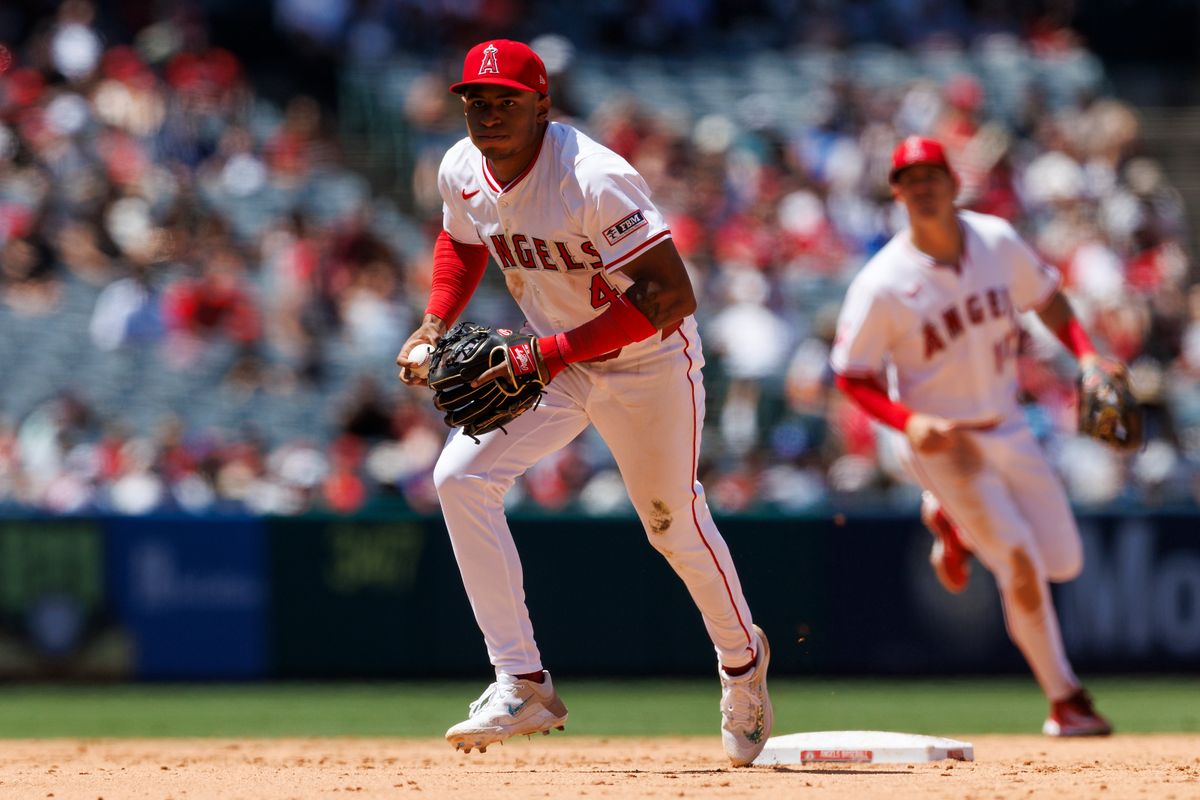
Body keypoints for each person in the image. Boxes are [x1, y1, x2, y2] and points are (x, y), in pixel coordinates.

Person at [395, 39, 772, 765]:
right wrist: (435, 321)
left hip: (645, 360)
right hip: (554, 358)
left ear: (542, 105)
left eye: (506, 100)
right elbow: (463, 243)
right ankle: (522, 680)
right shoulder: (460, 168)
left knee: (671, 525)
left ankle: (741, 661)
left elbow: (669, 296)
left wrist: (544, 354)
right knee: (458, 478)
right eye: (476, 100)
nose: (489, 113)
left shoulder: (593, 177)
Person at [830, 136, 1114, 738]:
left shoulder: (996, 241)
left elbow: (1048, 298)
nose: (923, 184)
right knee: (1019, 561)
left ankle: (949, 520)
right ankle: (1065, 699)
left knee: (1064, 561)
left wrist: (1088, 357)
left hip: (1008, 425)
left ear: (953, 182)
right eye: (910, 177)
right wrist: (909, 423)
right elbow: (851, 376)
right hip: (943, 441)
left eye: (932, 173)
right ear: (896, 192)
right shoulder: (882, 282)